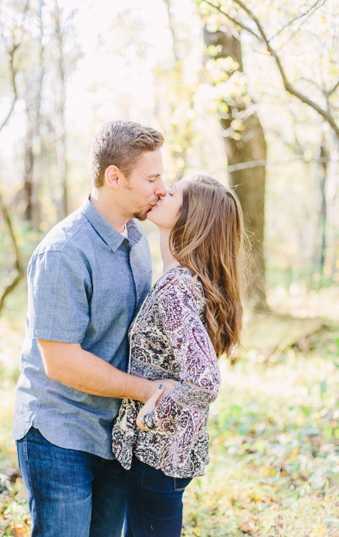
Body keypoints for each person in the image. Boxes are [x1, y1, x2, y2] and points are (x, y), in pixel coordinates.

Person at [13, 120, 178, 537]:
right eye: (152, 178)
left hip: (117, 434)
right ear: (114, 177)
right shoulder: (64, 252)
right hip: (59, 433)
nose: (162, 188)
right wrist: (147, 391)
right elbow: (62, 363)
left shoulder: (138, 239)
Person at [112, 174, 245, 536]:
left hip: (159, 456)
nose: (161, 191)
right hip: (168, 456)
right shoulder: (182, 281)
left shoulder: (176, 288)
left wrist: (154, 409)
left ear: (191, 217)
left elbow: (204, 381)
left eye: (173, 193)